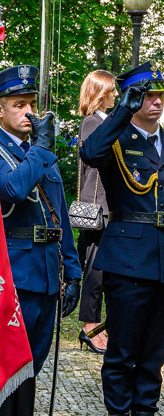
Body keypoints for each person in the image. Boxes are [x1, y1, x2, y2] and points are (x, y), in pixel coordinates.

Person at [0, 65, 81, 416]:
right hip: (14, 271)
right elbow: (11, 190)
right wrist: (41, 150)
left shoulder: (40, 149)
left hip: (47, 271)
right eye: (19, 105)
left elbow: (58, 213)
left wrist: (73, 268)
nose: (28, 113)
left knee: (31, 364)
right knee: (8, 365)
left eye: (31, 105)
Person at [80, 61, 164, 416]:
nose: (156, 101)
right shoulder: (116, 138)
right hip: (129, 258)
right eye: (147, 95)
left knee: (153, 356)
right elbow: (88, 154)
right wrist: (119, 113)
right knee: (123, 354)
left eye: (159, 95)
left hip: (163, 260)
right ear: (132, 98)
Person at [76, 70, 117, 354]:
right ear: (101, 94)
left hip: (109, 209)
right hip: (96, 210)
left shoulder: (104, 121)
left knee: (104, 271)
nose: (115, 95)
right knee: (94, 271)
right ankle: (89, 326)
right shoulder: (92, 123)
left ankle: (99, 326)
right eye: (112, 91)